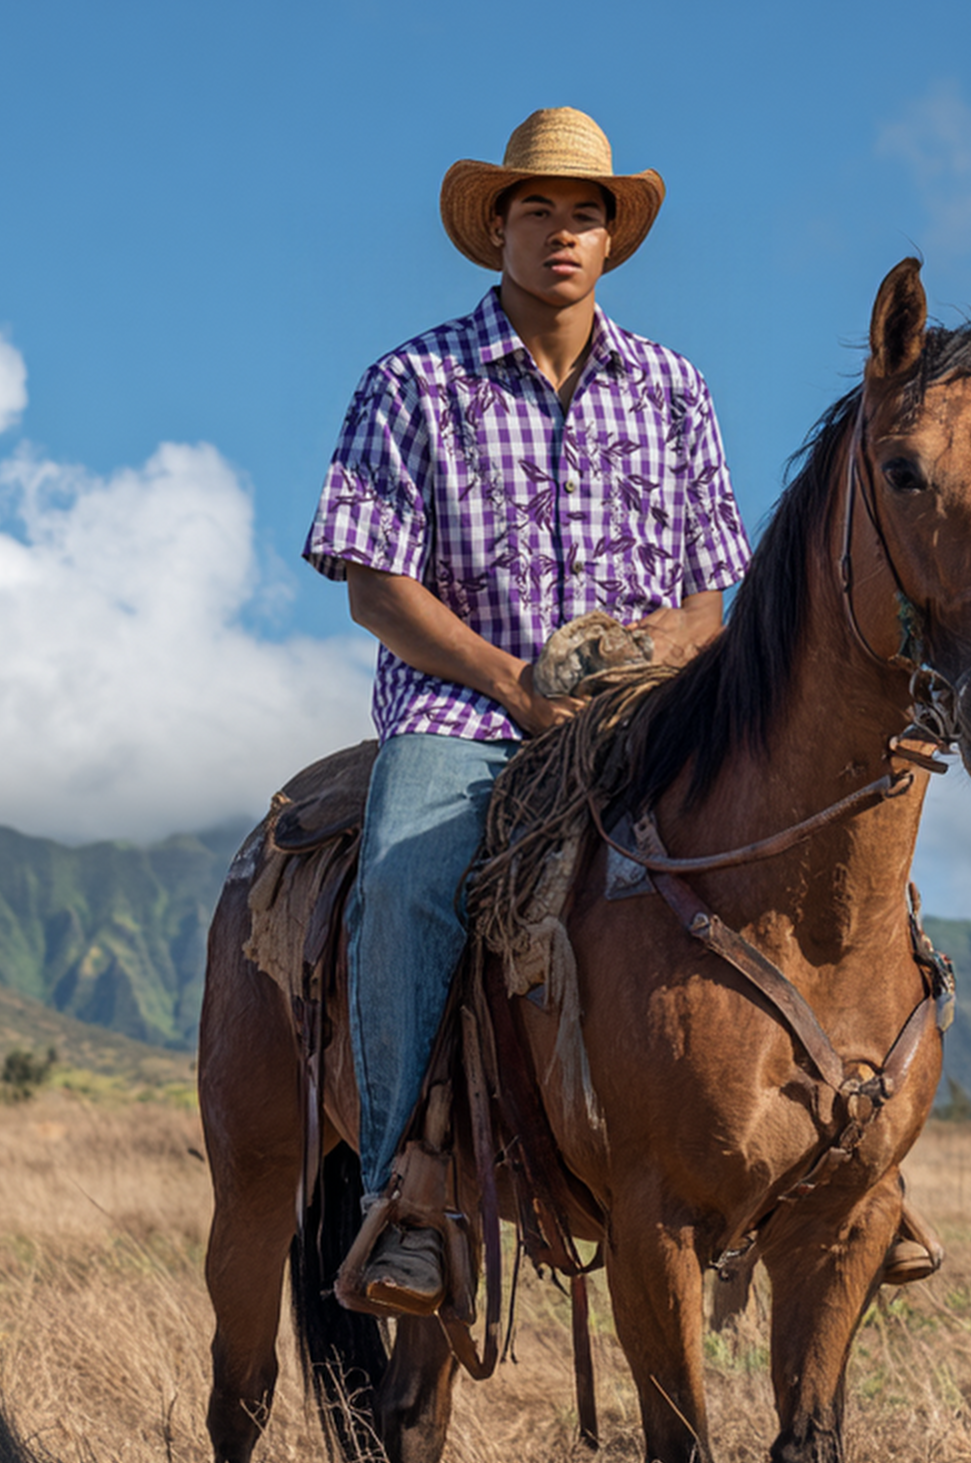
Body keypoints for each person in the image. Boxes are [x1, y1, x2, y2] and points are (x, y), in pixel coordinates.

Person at [301, 107, 752, 1314]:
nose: (562, 232)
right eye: (538, 209)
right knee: (402, 874)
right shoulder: (412, 382)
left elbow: (711, 596)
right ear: (496, 229)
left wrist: (659, 645)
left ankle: (803, 1153)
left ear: (612, 239)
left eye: (584, 212)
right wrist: (511, 680)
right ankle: (402, 1186)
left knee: (775, 831)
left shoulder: (672, 389)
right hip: (463, 713)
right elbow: (376, 586)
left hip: (641, 717)